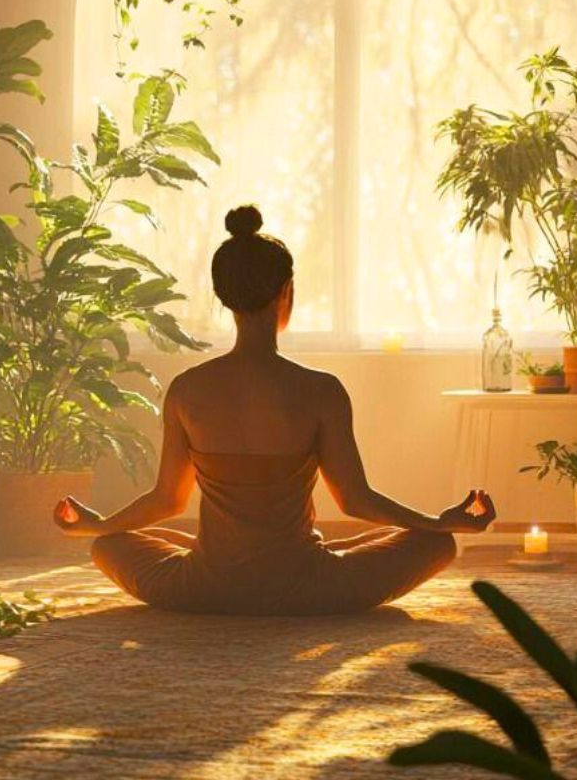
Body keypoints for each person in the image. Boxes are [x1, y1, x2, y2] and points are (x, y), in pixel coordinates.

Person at [55, 205, 496, 615]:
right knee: (436, 545)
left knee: (107, 544)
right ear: (286, 292)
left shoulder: (186, 389)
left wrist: (100, 524)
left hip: (207, 588)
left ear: (224, 298)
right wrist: (436, 522)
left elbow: (167, 500)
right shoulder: (321, 391)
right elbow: (355, 500)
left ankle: (210, 556)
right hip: (306, 589)